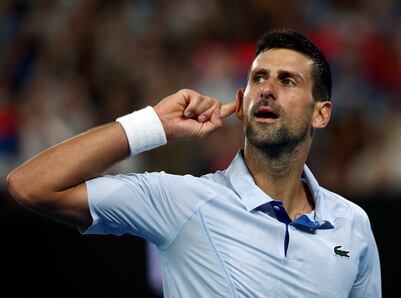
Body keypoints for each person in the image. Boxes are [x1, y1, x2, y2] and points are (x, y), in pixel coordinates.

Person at [7, 29, 381, 297]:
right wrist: (153, 124)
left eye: (288, 81)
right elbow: (31, 184)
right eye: (258, 78)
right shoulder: (179, 200)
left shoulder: (353, 225)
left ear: (321, 114)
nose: (267, 89)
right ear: (241, 102)